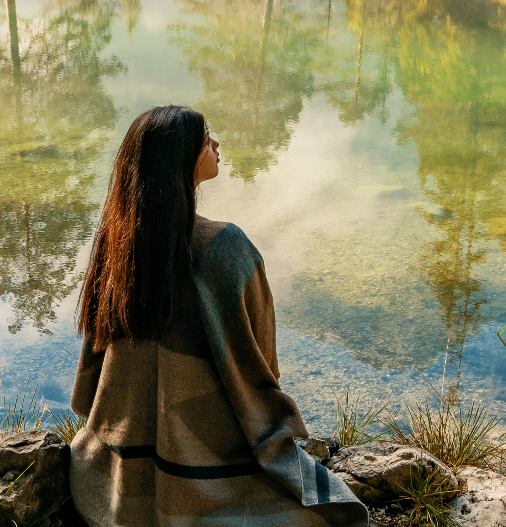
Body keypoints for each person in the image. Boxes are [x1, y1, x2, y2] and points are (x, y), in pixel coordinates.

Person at [69, 105, 368, 526]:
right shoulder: (225, 248)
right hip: (202, 476)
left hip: (108, 474)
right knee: (334, 514)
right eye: (206, 138)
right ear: (182, 160)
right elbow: (261, 363)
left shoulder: (115, 245)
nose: (215, 145)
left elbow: (90, 381)